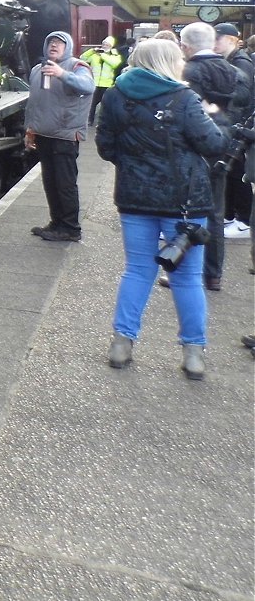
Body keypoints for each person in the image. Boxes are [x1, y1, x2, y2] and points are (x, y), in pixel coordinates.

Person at [95, 39, 227, 380]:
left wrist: (135, 166)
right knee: (187, 278)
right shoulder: (184, 99)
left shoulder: (114, 95)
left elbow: (105, 147)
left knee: (137, 270)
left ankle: (121, 344)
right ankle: (193, 353)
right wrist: (221, 123)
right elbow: (212, 144)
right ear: (171, 62)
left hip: (134, 198)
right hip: (184, 203)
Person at [179, 21, 243, 290]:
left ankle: (186, 271)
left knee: (189, 211)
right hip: (226, 148)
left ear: (185, 46)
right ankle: (213, 274)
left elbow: (189, 114)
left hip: (196, 148)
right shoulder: (234, 70)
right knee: (216, 214)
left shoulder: (190, 71)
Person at [25, 30, 95, 241]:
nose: (54, 45)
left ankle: (71, 228)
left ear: (68, 47)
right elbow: (34, 103)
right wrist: (29, 129)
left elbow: (88, 86)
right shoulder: (38, 69)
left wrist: (61, 74)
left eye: (59, 43)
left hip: (65, 135)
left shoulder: (77, 66)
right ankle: (56, 223)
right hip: (44, 134)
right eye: (51, 42)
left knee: (65, 184)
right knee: (50, 182)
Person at [214, 23, 253, 243]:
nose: (213, 43)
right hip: (232, 124)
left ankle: (244, 220)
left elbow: (242, 97)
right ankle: (230, 215)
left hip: (237, 125)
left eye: (217, 39)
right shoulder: (232, 60)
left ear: (230, 39)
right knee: (230, 171)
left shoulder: (241, 62)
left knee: (238, 172)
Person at [81, 36, 123, 126]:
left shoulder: (115, 55)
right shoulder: (94, 55)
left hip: (106, 84)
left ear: (111, 46)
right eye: (103, 44)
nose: (104, 45)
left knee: (105, 105)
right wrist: (92, 51)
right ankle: (89, 121)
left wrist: (103, 55)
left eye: (107, 44)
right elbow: (82, 58)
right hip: (94, 83)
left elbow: (114, 64)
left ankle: (103, 122)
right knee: (91, 103)